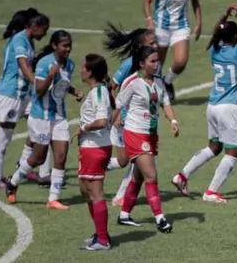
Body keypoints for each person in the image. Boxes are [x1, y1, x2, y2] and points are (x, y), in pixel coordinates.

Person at [171, 3, 237, 203]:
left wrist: (225, 15)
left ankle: (182, 176)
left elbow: (216, 32)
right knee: (233, 151)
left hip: (212, 106)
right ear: (235, 38)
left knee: (214, 148)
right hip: (229, 109)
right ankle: (212, 191)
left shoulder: (214, 49)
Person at [5, 30, 84, 210]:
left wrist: (74, 92)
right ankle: (13, 182)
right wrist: (50, 75)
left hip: (59, 117)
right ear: (55, 46)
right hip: (40, 117)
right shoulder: (44, 63)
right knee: (38, 157)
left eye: (69, 45)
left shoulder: (69, 65)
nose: (68, 49)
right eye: (64, 45)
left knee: (61, 157)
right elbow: (39, 92)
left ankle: (53, 199)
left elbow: (63, 84)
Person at [114, 46, 179, 233]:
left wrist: (172, 120)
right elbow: (118, 105)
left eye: (157, 60)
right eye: (152, 61)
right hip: (135, 133)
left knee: (139, 176)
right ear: (141, 64)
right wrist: (111, 123)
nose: (157, 64)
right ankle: (160, 219)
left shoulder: (158, 82)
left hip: (151, 134)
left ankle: (124, 214)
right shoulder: (131, 82)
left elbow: (165, 102)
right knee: (151, 175)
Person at [0, 9, 50, 188]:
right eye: (44, 29)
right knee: (4, 136)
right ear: (34, 26)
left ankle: (23, 166)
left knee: (42, 124)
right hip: (10, 96)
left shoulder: (29, 41)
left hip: (25, 96)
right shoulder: (19, 40)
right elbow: (23, 65)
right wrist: (37, 82)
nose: (45, 33)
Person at [102, 23, 159, 206]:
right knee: (132, 159)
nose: (156, 45)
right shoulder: (130, 64)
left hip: (142, 120)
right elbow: (111, 87)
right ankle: (120, 196)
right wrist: (116, 113)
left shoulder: (154, 63)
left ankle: (93, 168)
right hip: (126, 119)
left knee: (127, 160)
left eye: (156, 42)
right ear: (139, 47)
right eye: (152, 42)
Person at [143, 0, 203, 101]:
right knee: (157, 64)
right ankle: (154, 93)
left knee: (181, 61)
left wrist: (199, 22)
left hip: (181, 26)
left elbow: (195, 3)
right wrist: (149, 19)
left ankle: (167, 81)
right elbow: (147, 1)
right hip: (161, 27)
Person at [72, 54, 115, 251]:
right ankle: (100, 233)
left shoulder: (98, 93)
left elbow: (102, 121)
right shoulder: (97, 91)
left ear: (90, 72)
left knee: (95, 193)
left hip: (95, 147)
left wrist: (83, 128)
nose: (80, 70)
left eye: (83, 67)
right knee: (85, 190)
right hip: (91, 147)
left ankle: (103, 240)